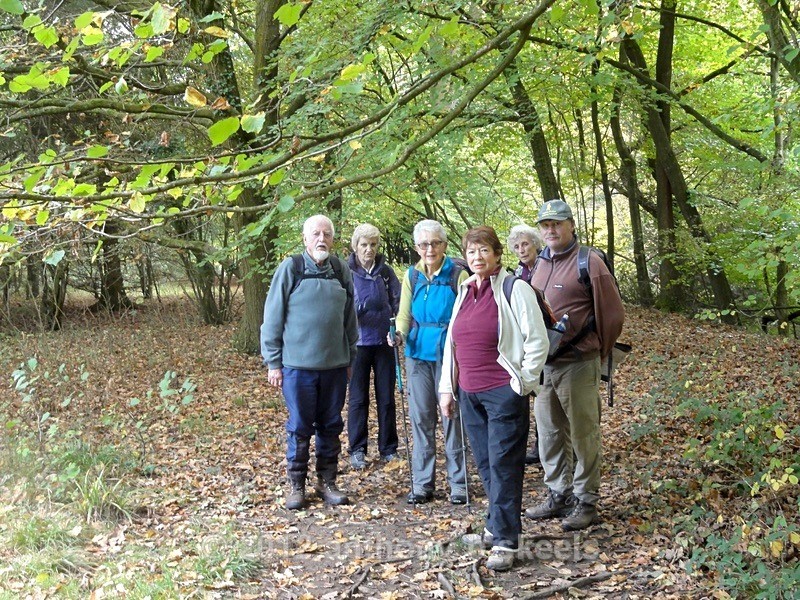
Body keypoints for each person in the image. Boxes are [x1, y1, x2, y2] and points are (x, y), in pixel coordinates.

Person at [439, 226, 549, 571]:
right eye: (471, 252)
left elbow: (537, 340)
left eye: (484, 250)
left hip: (503, 391)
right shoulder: (464, 290)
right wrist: (447, 388)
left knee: (504, 464)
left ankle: (506, 541)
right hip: (469, 391)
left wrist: (523, 382)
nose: (477, 257)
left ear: (497, 254)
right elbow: (452, 344)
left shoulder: (515, 289)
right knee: (486, 463)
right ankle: (495, 525)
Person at [525, 200, 624, 531]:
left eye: (556, 223)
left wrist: (595, 351)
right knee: (549, 433)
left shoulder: (589, 261)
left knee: (584, 434)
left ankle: (586, 500)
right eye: (545, 225)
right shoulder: (540, 262)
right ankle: (559, 494)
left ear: (570, 225)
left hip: (579, 363)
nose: (550, 230)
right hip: (545, 365)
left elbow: (613, 316)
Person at [261, 214, 359, 510]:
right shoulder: (291, 269)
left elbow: (350, 319)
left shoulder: (341, 270)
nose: (321, 239)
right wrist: (273, 362)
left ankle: (327, 482)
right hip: (297, 368)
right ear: (305, 238)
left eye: (327, 234)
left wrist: (350, 357)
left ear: (333, 239)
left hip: (335, 367)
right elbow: (272, 317)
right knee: (300, 427)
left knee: (331, 425)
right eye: (315, 234)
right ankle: (297, 485)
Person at [388, 219, 468, 505]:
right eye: (424, 244)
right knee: (421, 418)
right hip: (417, 353)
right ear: (416, 247)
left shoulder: (457, 274)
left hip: (449, 354)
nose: (430, 249)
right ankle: (422, 484)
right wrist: (398, 334)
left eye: (435, 243)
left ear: (444, 245)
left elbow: (465, 314)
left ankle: (459, 484)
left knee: (452, 417)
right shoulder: (412, 275)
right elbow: (404, 314)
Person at [347, 223, 401, 469]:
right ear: (355, 246)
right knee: (358, 399)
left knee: (386, 397)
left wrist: (397, 329)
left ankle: (388, 448)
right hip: (357, 344)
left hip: (384, 342)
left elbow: (398, 303)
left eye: (373, 244)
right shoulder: (346, 272)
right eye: (364, 245)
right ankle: (357, 449)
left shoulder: (385, 273)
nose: (369, 249)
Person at [507, 224, 545, 465]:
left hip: (548, 337)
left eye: (525, 244)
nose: (521, 249)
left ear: (535, 244)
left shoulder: (546, 266)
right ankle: (540, 446)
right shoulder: (517, 273)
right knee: (535, 393)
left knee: (546, 395)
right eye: (517, 246)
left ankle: (553, 446)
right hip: (523, 340)